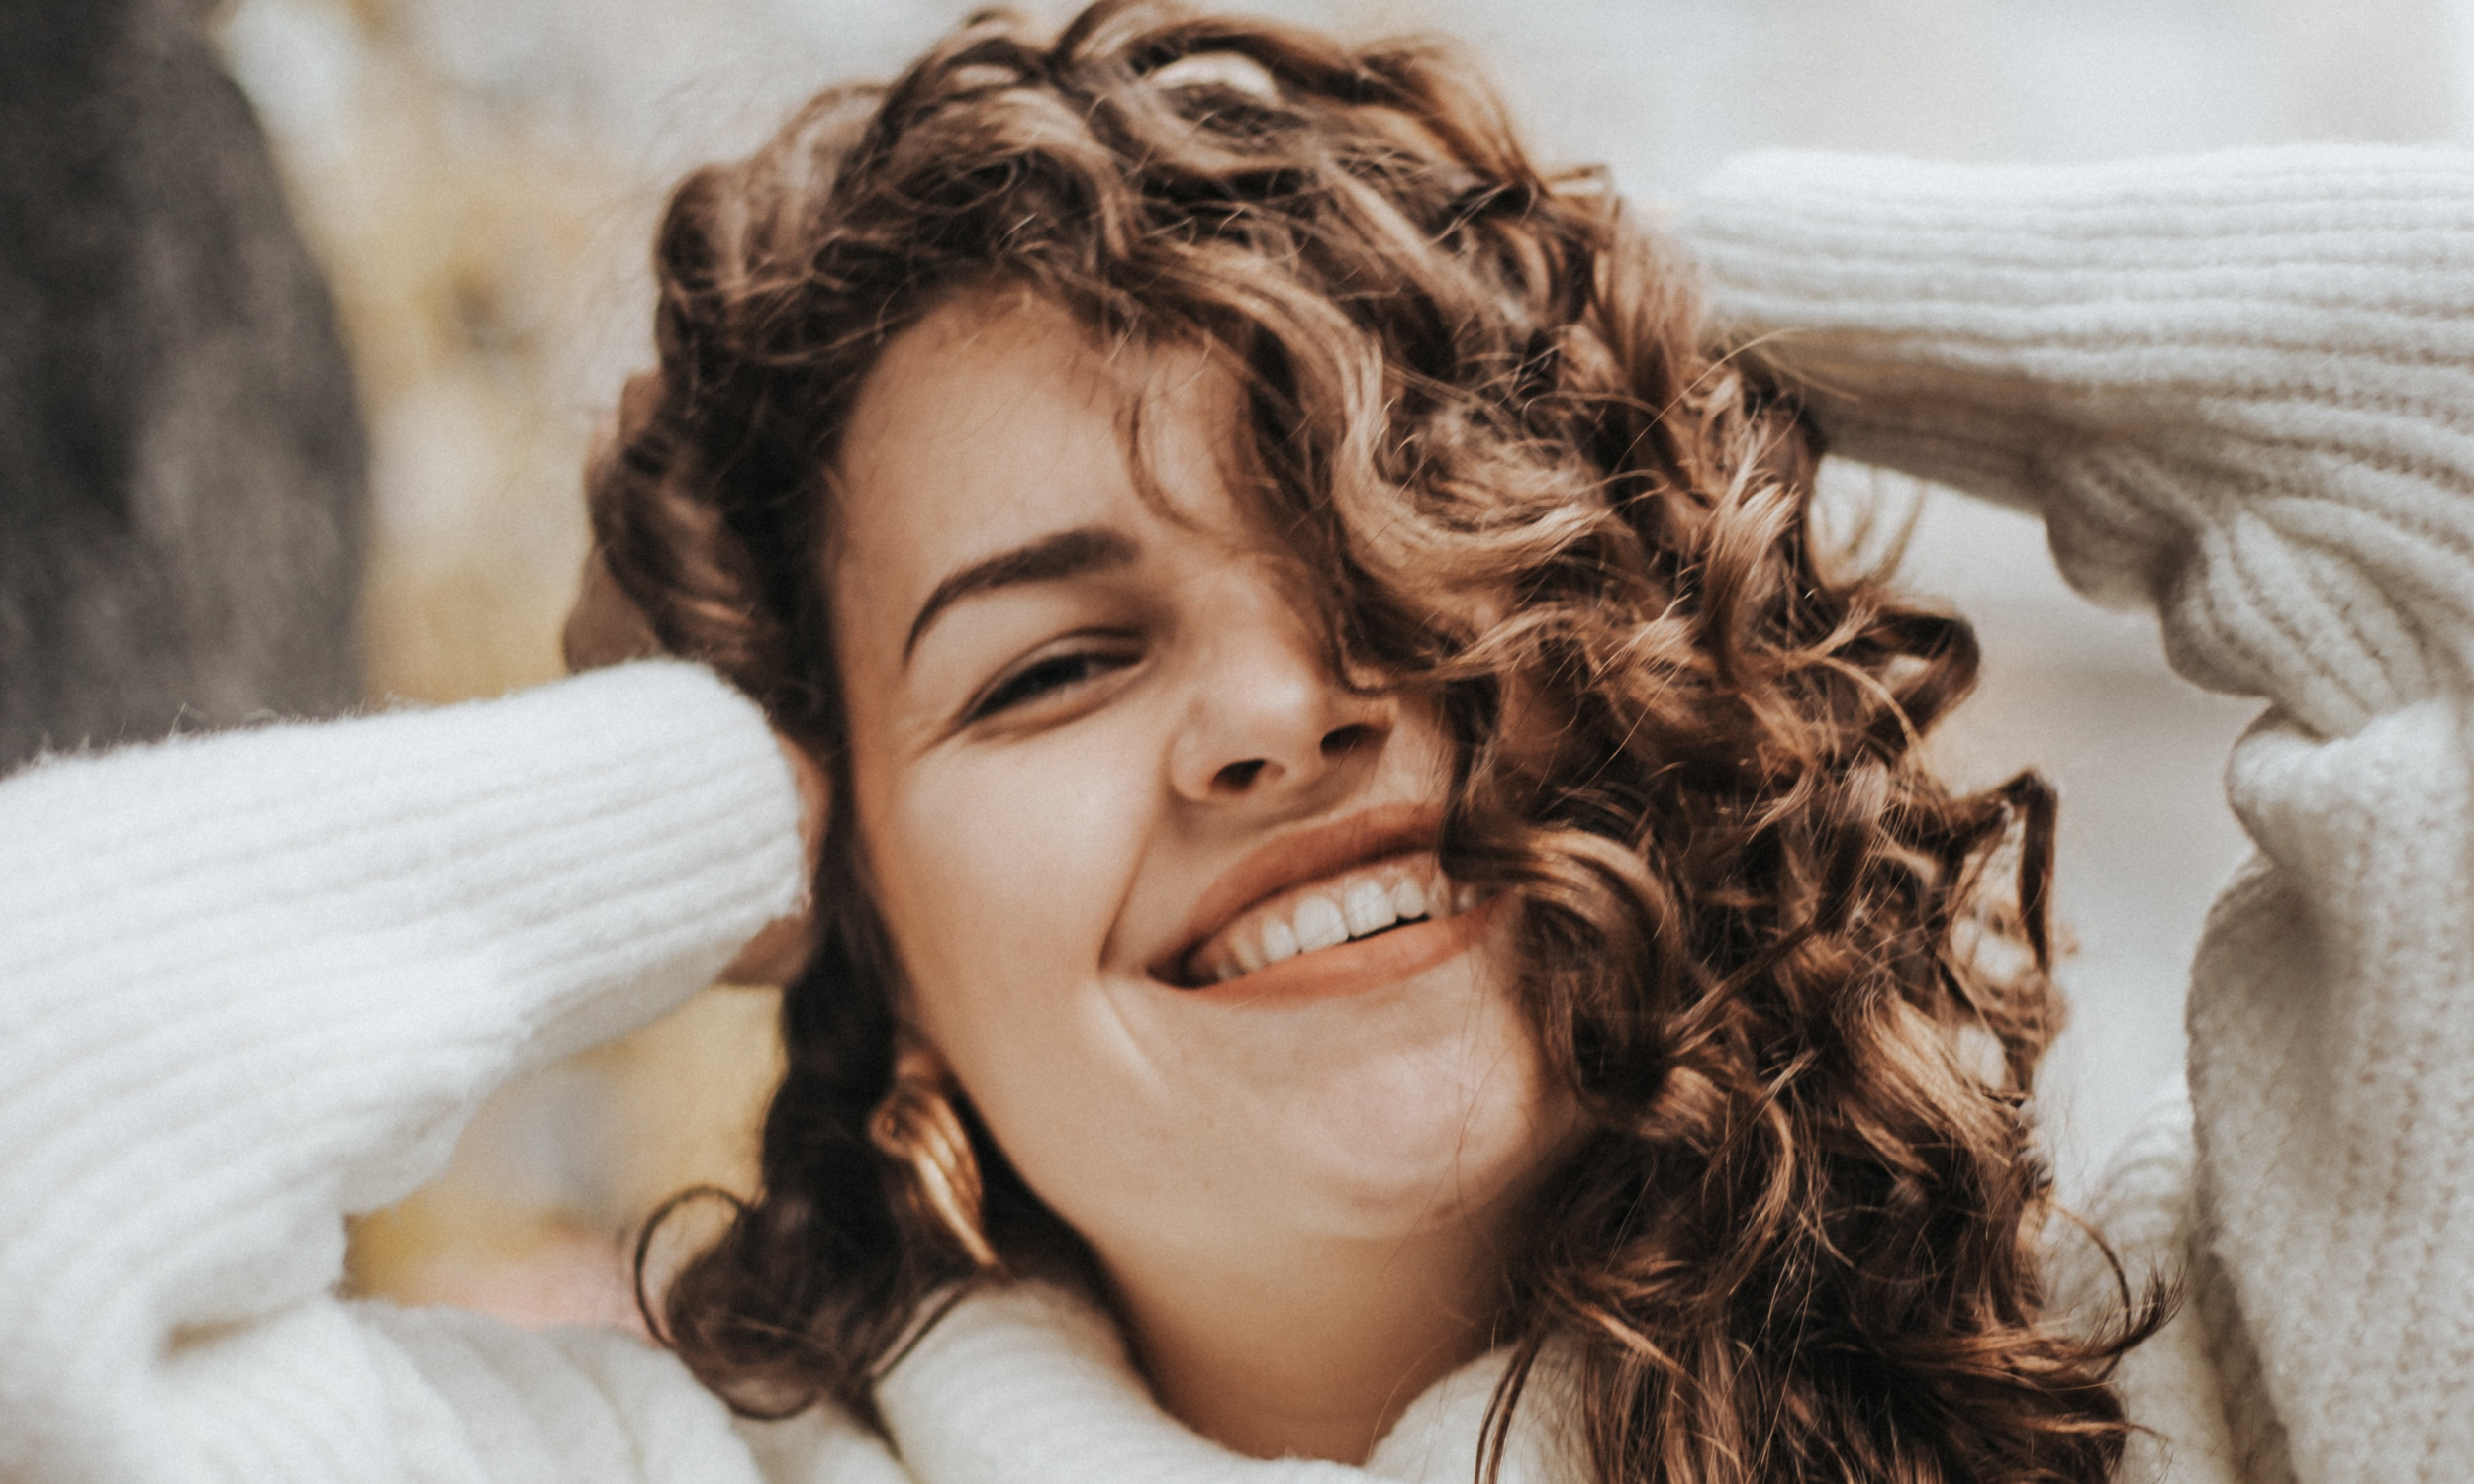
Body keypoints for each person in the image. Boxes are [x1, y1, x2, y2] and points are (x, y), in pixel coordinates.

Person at [3, 4, 2470, 1482]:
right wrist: (712, 790)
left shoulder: (2153, 1400)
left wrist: (1621, 309)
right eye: (1048, 670)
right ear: (846, 922)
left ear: (1640, 638)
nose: (1275, 716)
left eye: (1407, 540)